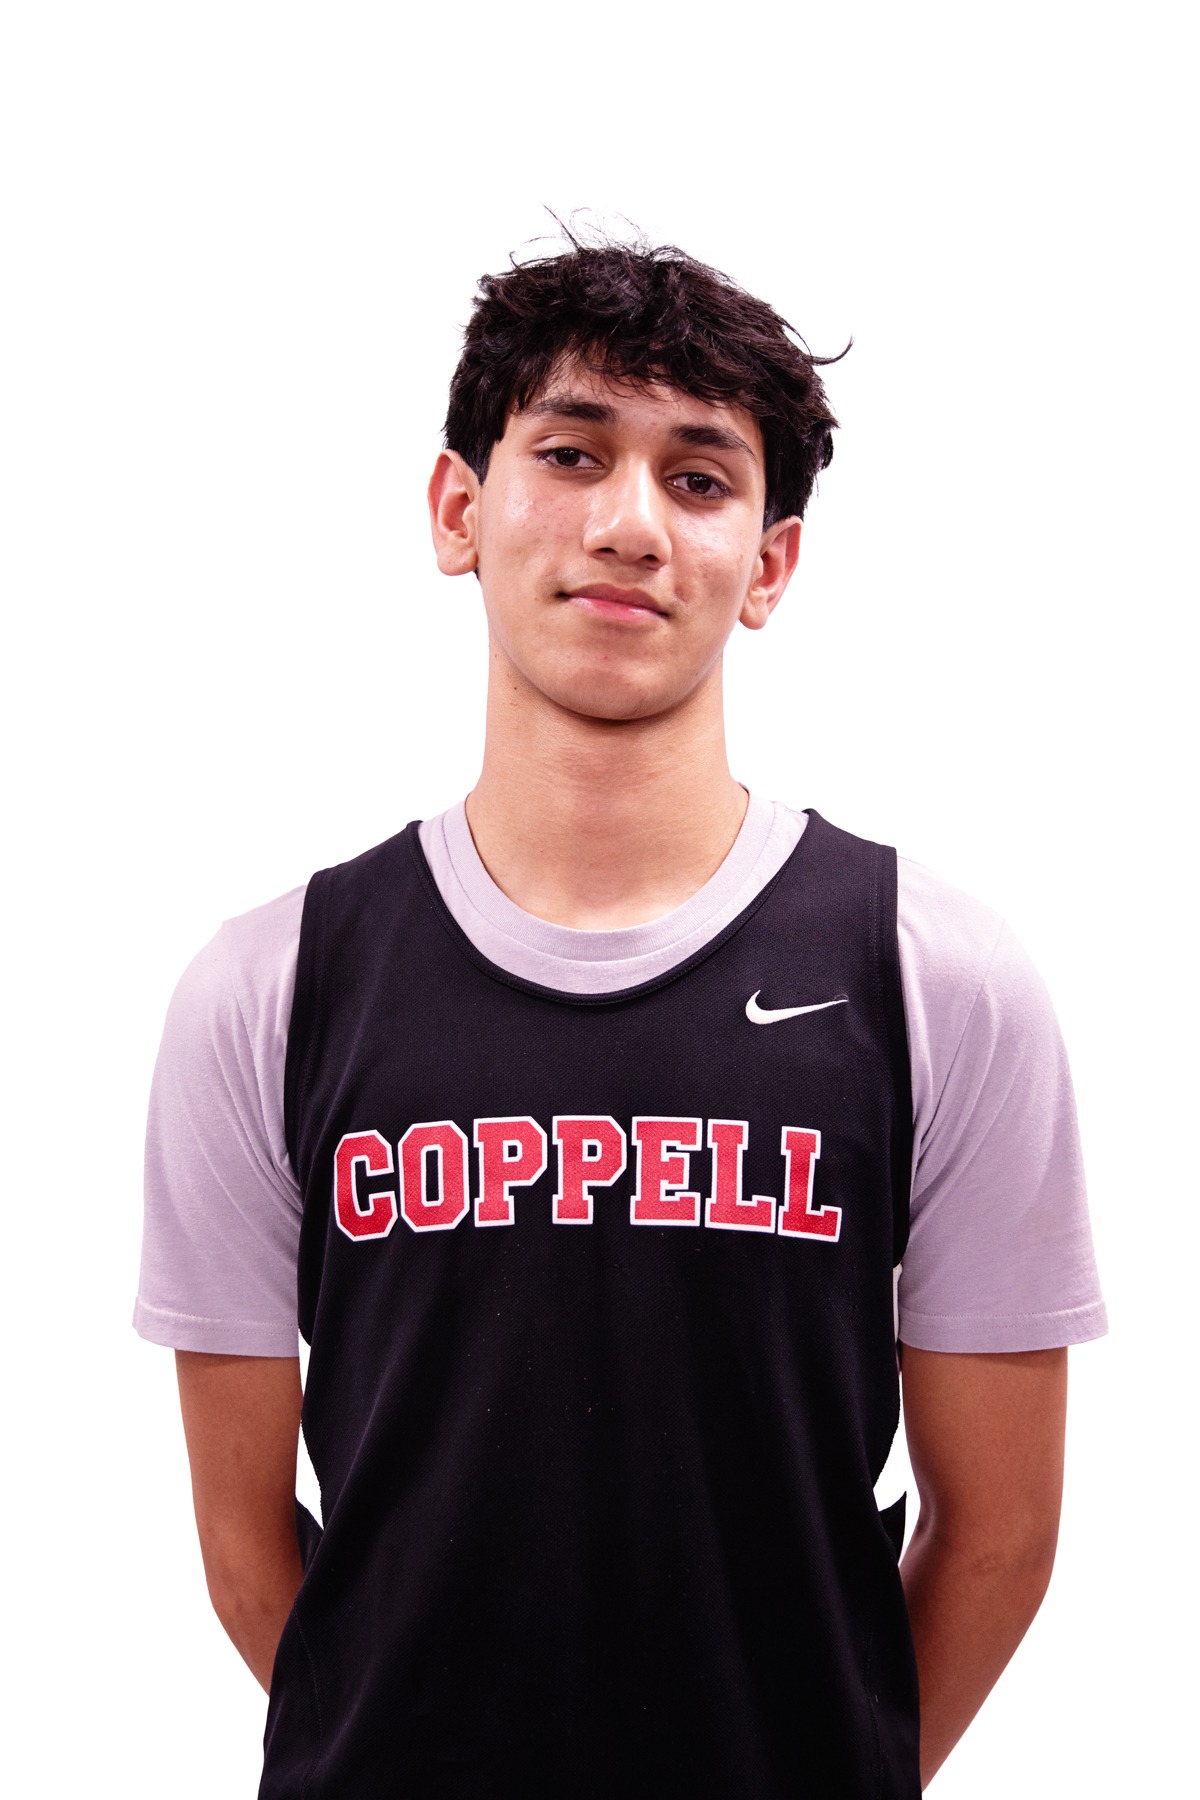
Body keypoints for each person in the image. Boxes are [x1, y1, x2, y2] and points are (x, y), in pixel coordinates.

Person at [135, 235, 1106, 1798]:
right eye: (572, 453)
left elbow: (1000, 1535)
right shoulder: (269, 988)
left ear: (769, 565)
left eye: (700, 479)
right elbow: (249, 1559)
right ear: (458, 508)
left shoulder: (941, 978)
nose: (630, 524)